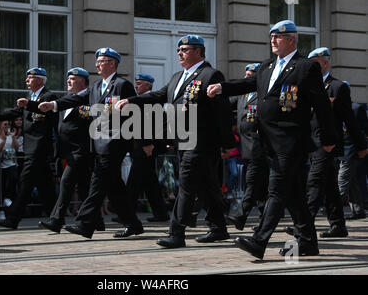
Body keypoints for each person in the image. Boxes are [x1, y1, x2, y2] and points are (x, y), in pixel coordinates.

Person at [207, 20, 336, 259]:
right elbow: (248, 83)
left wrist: (329, 137)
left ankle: (259, 241)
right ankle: (307, 242)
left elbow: (321, 105)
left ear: (292, 39)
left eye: (279, 36)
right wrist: (222, 87)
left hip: (290, 141)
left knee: (276, 191)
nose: (274, 40)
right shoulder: (266, 66)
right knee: (295, 194)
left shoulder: (306, 67)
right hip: (267, 141)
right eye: (272, 36)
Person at [116, 35, 236, 248]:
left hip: (202, 142)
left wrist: (227, 143)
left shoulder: (210, 74)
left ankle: (176, 233)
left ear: (199, 51)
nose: (180, 53)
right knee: (207, 187)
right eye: (179, 50)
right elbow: (159, 95)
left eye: (185, 50)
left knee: (186, 186)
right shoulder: (177, 77)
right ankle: (218, 228)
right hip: (182, 141)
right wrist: (131, 100)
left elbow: (223, 112)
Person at [38, 48, 143, 239]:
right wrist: (53, 105)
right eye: (97, 61)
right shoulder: (96, 87)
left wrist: (132, 142)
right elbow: (76, 99)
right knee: (114, 187)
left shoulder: (122, 85)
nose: (97, 65)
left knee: (98, 182)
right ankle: (133, 223)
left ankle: (85, 224)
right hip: (98, 143)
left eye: (101, 61)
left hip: (115, 143)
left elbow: (134, 115)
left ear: (112, 63)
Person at [284, 47, 367, 238]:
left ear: (325, 63)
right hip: (309, 143)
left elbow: (349, 119)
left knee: (313, 183)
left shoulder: (337, 87)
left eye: (315, 63)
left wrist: (361, 145)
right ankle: (338, 225)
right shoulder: (305, 86)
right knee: (329, 185)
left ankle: (303, 225)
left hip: (327, 143)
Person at [0, 67, 59, 229]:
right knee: (46, 187)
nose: (26, 80)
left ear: (40, 80)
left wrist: (29, 104)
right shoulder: (30, 97)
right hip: (31, 148)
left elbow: (42, 108)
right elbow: (15, 112)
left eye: (30, 78)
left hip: (39, 148)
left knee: (25, 184)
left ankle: (13, 218)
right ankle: (57, 219)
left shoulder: (48, 96)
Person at [38, 67, 105, 233]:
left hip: (81, 150)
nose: (68, 81)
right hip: (67, 151)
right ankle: (97, 220)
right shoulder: (65, 100)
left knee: (66, 182)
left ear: (83, 82)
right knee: (84, 187)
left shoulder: (89, 99)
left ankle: (56, 220)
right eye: (68, 78)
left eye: (73, 79)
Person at [227, 63, 268, 230]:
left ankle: (241, 215)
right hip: (245, 145)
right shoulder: (243, 93)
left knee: (251, 181)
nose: (246, 77)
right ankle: (265, 217)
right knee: (261, 185)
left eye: (250, 75)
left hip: (259, 145)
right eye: (246, 74)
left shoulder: (264, 92)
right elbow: (227, 103)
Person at [126, 73, 170, 222]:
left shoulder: (151, 101)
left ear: (148, 86)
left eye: (139, 83)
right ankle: (161, 213)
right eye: (136, 83)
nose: (136, 86)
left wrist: (147, 144)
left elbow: (149, 125)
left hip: (146, 146)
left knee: (134, 181)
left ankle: (126, 213)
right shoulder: (141, 100)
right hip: (141, 145)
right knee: (149, 182)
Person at [337, 102, 368, 220]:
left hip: (351, 151)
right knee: (352, 181)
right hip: (338, 150)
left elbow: (363, 130)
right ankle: (358, 210)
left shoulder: (356, 108)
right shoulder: (335, 106)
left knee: (342, 182)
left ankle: (334, 209)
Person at [0, 120, 19, 216]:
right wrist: (4, 139)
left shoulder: (10, 136)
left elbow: (16, 148)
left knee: (13, 178)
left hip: (10, 163)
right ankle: (1, 210)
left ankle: (8, 199)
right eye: (5, 124)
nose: (7, 126)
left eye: (8, 124)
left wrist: (13, 138)